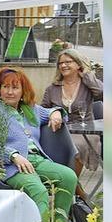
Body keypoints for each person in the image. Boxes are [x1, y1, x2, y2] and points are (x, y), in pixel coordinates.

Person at [0, 67, 78, 222]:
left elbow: (58, 112)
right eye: (5, 87)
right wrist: (13, 155)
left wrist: (56, 113)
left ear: (23, 90)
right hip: (11, 165)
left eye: (15, 87)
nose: (10, 92)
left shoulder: (31, 109)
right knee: (39, 190)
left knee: (69, 177)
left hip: (37, 160)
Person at [41, 48, 103, 183]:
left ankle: (70, 185)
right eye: (60, 63)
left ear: (78, 64)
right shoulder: (52, 88)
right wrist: (53, 112)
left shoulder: (87, 85)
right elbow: (42, 111)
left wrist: (87, 75)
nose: (63, 65)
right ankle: (75, 189)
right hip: (60, 130)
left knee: (75, 146)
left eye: (68, 62)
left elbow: (102, 93)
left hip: (85, 131)